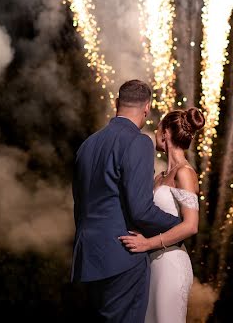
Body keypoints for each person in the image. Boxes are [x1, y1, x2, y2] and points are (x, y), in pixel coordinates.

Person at [72, 80, 182, 322]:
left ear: (116, 103)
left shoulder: (87, 145)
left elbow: (79, 204)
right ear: (147, 108)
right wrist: (179, 225)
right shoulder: (139, 142)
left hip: (87, 258)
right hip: (122, 257)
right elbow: (141, 210)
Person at [119, 107, 205, 323]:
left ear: (166, 132)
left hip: (172, 263)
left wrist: (147, 244)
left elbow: (191, 225)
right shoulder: (159, 178)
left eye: (158, 127)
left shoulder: (185, 173)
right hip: (152, 264)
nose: (154, 132)